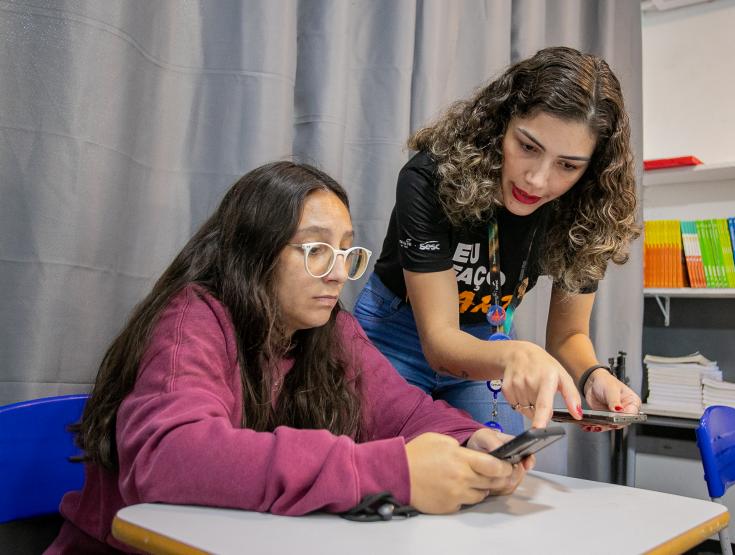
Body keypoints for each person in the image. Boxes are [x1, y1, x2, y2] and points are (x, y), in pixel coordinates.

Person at [47, 161, 528, 553]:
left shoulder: (331, 329)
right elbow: (169, 458)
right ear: (254, 250)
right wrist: (387, 472)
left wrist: (471, 440)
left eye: (346, 252)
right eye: (316, 250)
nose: (338, 273)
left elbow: (408, 413)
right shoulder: (193, 318)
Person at [353, 46, 642, 435]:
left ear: (593, 167)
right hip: (397, 332)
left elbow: (569, 334)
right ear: (501, 122)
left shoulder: (587, 210)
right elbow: (439, 343)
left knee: (502, 464)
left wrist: (593, 375)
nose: (537, 180)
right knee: (394, 466)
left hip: (488, 339)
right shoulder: (429, 178)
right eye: (527, 147)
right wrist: (515, 356)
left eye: (568, 165)